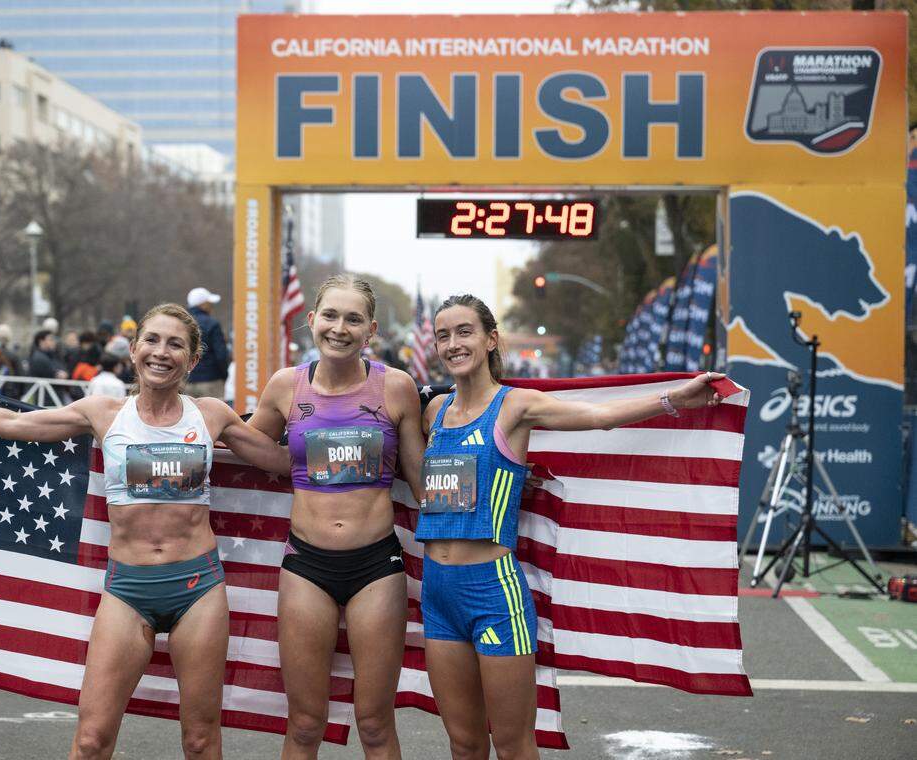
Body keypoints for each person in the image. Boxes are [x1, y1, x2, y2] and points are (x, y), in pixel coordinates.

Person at [0, 303, 290, 760]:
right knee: (90, 740)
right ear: (134, 349)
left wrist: (353, 434)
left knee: (201, 741)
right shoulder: (103, 412)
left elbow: (279, 462)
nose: (161, 352)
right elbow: (13, 425)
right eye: (152, 340)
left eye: (175, 344)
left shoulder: (211, 415)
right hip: (127, 589)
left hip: (197, 588)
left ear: (193, 360)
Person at [417, 294, 724, 760]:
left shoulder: (515, 407)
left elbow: (598, 418)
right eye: (444, 335)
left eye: (464, 331)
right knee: (463, 743)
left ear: (490, 339)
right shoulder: (433, 413)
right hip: (438, 593)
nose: (453, 343)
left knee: (514, 745)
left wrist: (671, 399)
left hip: (493, 591)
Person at [248, 274, 425, 759]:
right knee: (305, 724)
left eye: (353, 319)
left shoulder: (397, 387)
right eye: (330, 315)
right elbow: (242, 447)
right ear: (312, 321)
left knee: (373, 723)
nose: (339, 328)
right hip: (306, 565)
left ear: (371, 330)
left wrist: (504, 467)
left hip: (376, 568)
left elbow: (424, 479)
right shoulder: (286, 386)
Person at [185, 287, 228, 399]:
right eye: (209, 303)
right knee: (214, 415)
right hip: (211, 381)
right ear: (202, 304)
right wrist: (224, 375)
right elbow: (221, 355)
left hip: (186, 382)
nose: (211, 306)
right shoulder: (212, 324)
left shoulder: (181, 323)